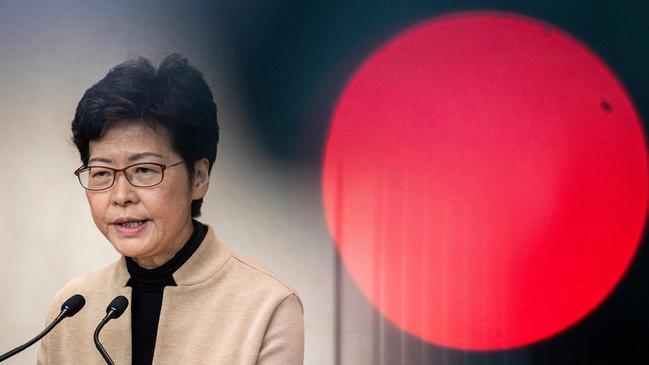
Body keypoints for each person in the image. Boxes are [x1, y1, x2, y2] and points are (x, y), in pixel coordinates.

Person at [37, 54, 304, 364]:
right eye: (101, 173)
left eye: (145, 170)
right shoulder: (71, 309)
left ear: (199, 177)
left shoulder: (267, 305)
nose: (121, 195)